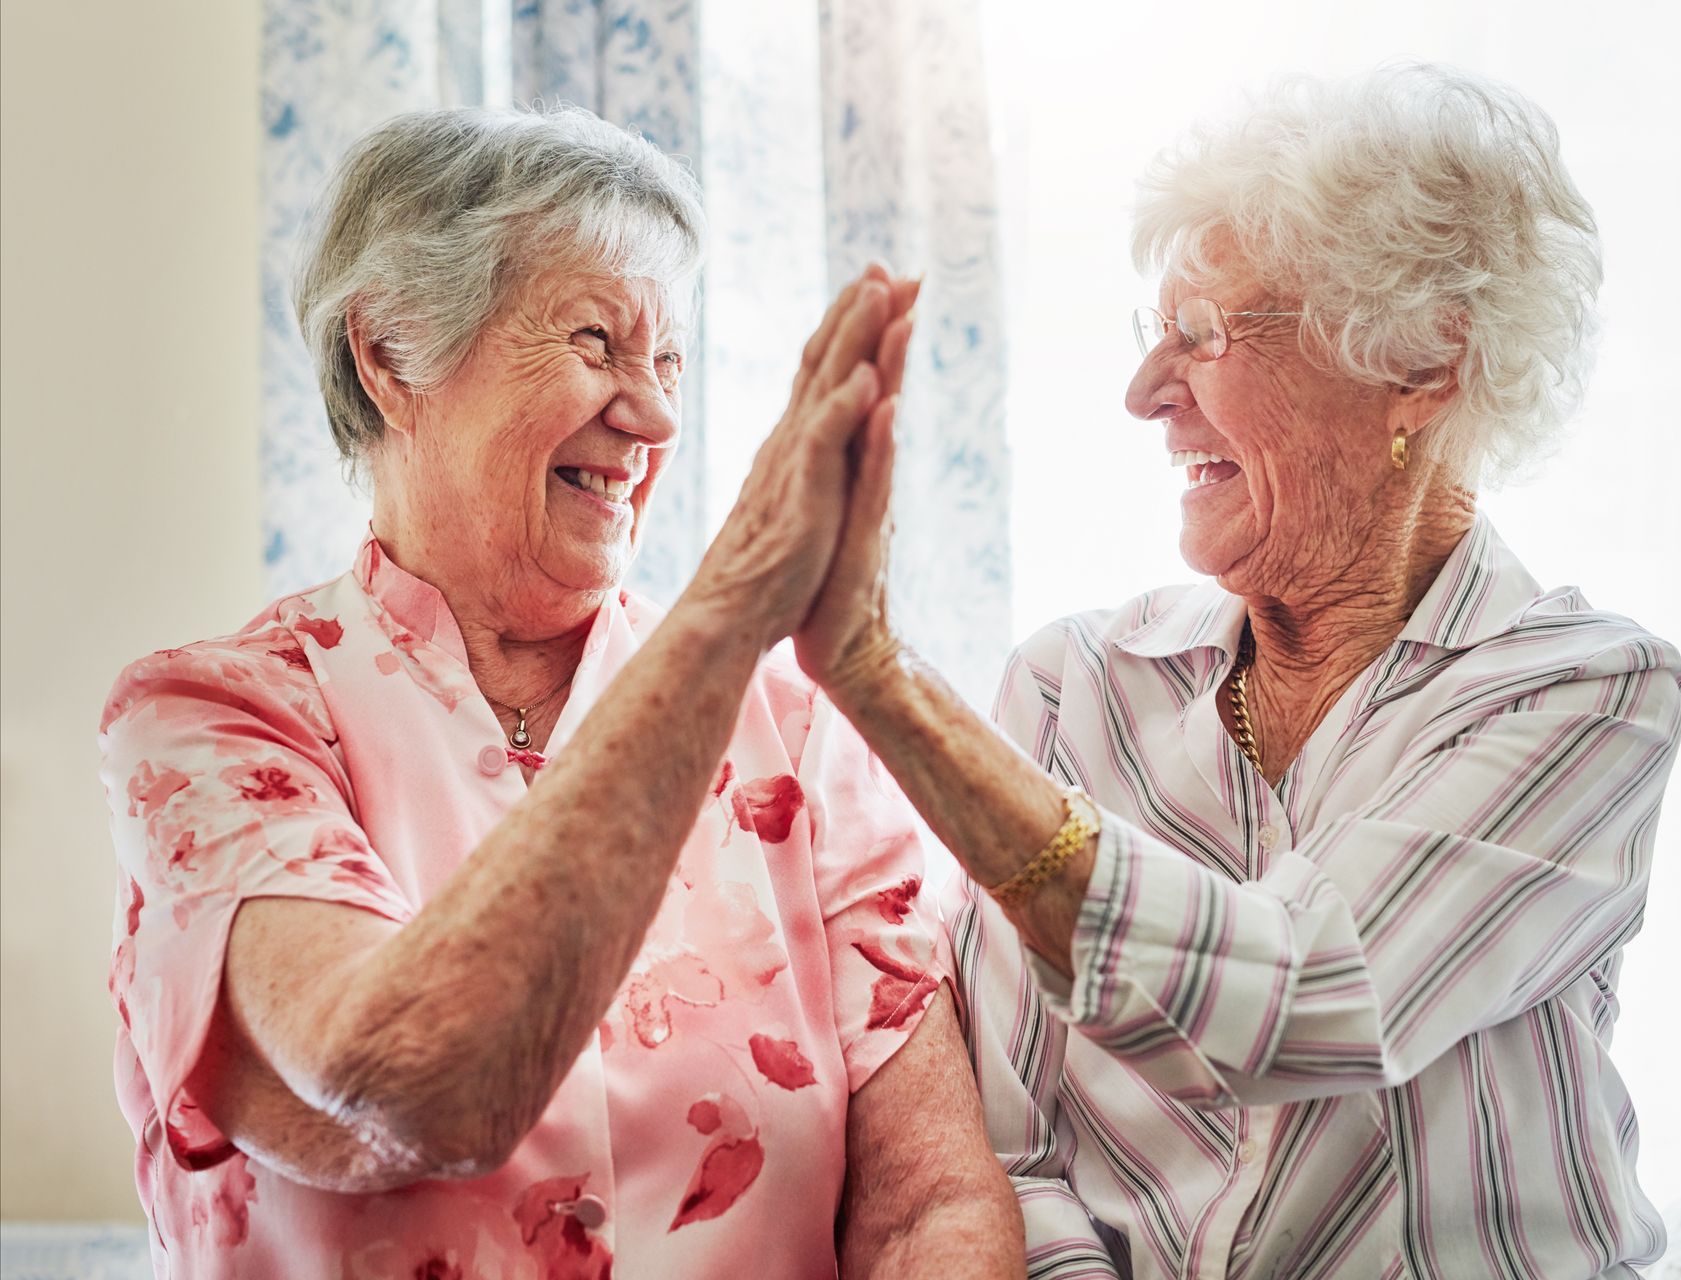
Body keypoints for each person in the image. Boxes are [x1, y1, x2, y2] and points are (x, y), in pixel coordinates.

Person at [794, 65, 1681, 1278]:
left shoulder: (1585, 692)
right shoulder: (1073, 687)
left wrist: (880, 680)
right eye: (1153, 330)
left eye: (1205, 333)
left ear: (1421, 365)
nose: (1145, 392)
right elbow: (1015, 1151)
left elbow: (1302, 998)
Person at [100, 105, 1021, 1279]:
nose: (655, 414)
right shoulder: (217, 720)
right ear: (388, 355)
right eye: (596, 343)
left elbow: (926, 1207)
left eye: (670, 358)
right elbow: (411, 1088)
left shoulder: (801, 736)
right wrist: (734, 603)